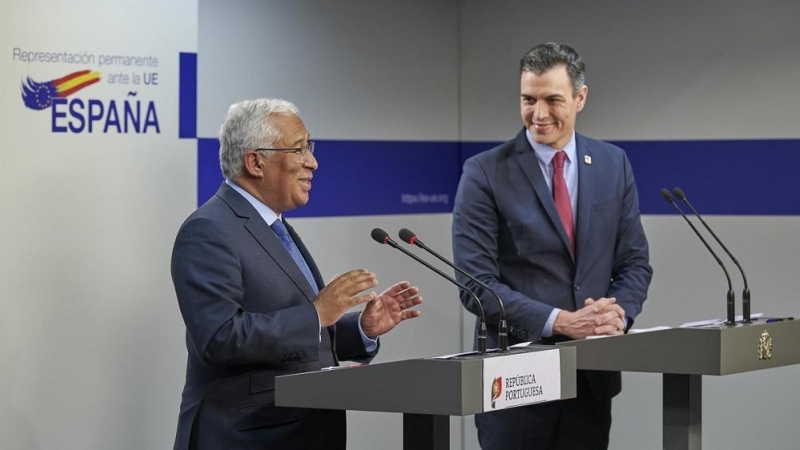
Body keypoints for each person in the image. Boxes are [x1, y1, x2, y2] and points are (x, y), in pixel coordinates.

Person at [171, 98, 422, 450]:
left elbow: (301, 334)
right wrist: (317, 313)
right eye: (299, 149)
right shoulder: (209, 230)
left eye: (310, 148)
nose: (313, 162)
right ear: (256, 162)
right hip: (248, 436)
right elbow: (219, 337)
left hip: (301, 431)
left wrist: (360, 329)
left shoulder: (275, 226)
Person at [452, 42, 653, 449]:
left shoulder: (613, 164)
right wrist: (561, 321)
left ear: (580, 98)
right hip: (514, 386)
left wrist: (616, 316)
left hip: (591, 378)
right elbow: (477, 285)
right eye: (528, 100)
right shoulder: (484, 173)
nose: (538, 114)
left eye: (552, 100)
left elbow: (634, 263)